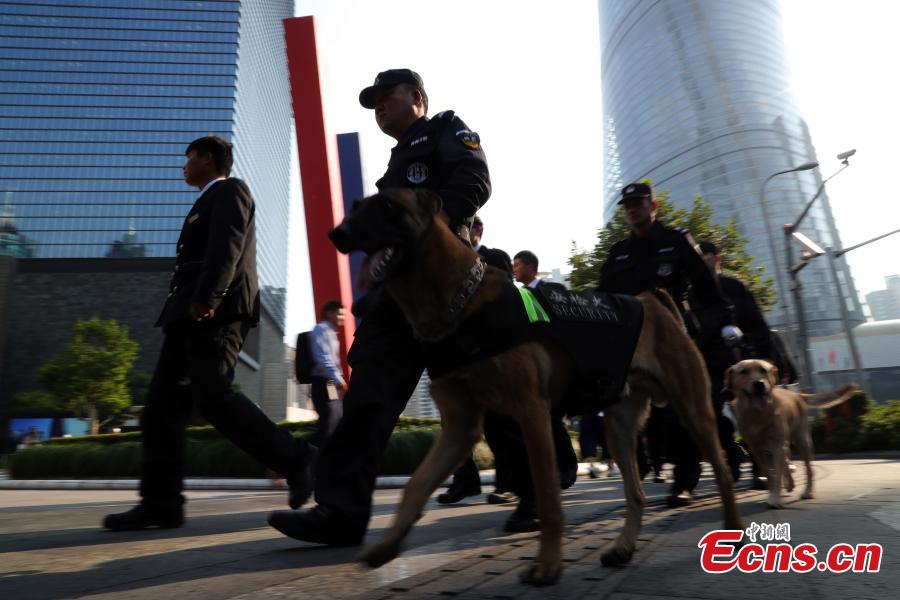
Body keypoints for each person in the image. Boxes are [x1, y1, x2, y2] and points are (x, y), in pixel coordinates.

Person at [267, 69, 491, 545]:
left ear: (417, 97)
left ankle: (534, 488)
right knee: (368, 394)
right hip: (398, 295)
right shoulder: (394, 165)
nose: (379, 107)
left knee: (495, 389)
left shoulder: (446, 129)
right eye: (374, 102)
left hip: (448, 288)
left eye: (387, 96)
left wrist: (428, 225)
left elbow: (476, 181)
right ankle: (340, 513)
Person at [104, 136, 315, 531]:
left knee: (213, 397)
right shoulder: (204, 201)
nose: (183, 165)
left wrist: (209, 298)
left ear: (208, 158)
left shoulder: (231, 190)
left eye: (189, 157)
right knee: (161, 410)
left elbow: (227, 246)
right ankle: (161, 504)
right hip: (186, 316)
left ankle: (299, 458)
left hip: (215, 312)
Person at [597, 182, 736, 508]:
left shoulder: (675, 241)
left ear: (653, 206)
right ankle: (642, 471)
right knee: (629, 413)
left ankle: (685, 481)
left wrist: (724, 322)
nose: (633, 209)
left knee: (682, 412)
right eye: (628, 205)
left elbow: (706, 287)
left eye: (639, 203)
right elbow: (602, 297)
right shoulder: (619, 252)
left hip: (673, 338)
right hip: (632, 344)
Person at [307, 300, 347, 448]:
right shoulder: (322, 329)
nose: (343, 317)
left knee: (334, 423)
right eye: (340, 314)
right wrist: (338, 379)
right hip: (324, 382)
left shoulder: (330, 331)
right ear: (329, 313)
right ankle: (293, 449)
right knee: (329, 427)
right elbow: (323, 358)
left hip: (328, 383)